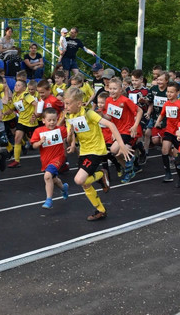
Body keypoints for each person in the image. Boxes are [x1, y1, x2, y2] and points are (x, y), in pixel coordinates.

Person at [63, 86, 131, 221]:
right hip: (84, 151)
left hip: (96, 151)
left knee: (79, 180)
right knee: (85, 184)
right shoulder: (69, 116)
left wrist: (122, 145)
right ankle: (101, 210)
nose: (66, 106)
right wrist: (70, 139)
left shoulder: (88, 113)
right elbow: (71, 138)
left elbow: (111, 125)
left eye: (68, 103)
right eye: (65, 103)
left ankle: (101, 175)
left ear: (78, 103)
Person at [29, 107, 70, 209]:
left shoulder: (60, 130)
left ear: (57, 119)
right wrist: (40, 142)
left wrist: (71, 133)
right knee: (53, 179)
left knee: (47, 176)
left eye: (54, 120)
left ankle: (49, 200)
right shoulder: (39, 131)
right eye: (49, 120)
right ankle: (64, 188)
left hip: (58, 157)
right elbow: (34, 145)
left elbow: (68, 138)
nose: (52, 122)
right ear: (43, 120)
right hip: (46, 160)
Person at [153, 81, 180, 182]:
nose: (169, 94)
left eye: (171, 92)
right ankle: (167, 173)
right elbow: (162, 114)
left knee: (178, 156)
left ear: (177, 93)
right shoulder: (166, 103)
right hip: (169, 130)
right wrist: (157, 122)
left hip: (179, 133)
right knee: (164, 150)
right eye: (168, 92)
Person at [8, 78, 38, 168]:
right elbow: (11, 109)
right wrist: (2, 113)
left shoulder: (26, 95)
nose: (16, 86)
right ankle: (17, 161)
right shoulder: (14, 96)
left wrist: (35, 115)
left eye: (18, 85)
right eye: (15, 85)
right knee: (17, 138)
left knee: (34, 143)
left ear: (24, 88)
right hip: (21, 121)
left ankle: (50, 154)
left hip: (30, 122)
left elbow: (36, 104)